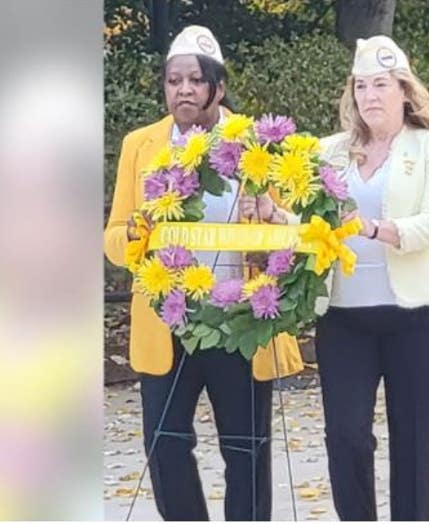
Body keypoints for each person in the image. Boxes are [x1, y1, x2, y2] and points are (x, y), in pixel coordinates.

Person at [103, 25, 302, 521]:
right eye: (174, 80)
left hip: (239, 320)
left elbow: (292, 232)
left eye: (195, 80)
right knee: (164, 445)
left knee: (246, 450)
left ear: (219, 87)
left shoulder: (256, 142)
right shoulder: (140, 145)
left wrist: (270, 213)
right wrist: (137, 235)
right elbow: (112, 237)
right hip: (169, 322)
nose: (184, 90)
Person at [315, 35, 429, 521]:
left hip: (419, 320)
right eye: (361, 86)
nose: (369, 96)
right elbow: (306, 217)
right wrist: (272, 212)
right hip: (345, 319)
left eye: (380, 84)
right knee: (345, 435)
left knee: (414, 445)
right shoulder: (327, 152)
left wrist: (372, 228)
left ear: (404, 90)